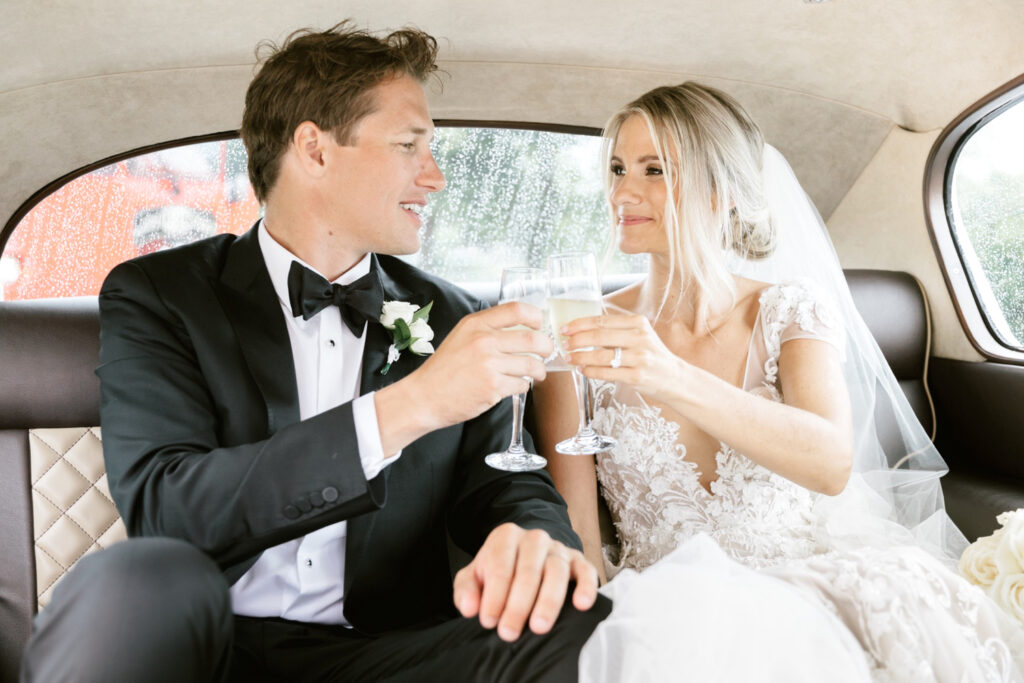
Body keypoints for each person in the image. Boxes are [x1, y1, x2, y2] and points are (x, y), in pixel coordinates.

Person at [19, 22, 610, 683]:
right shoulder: (162, 295)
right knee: (132, 580)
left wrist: (533, 541)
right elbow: (166, 508)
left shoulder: (451, 317)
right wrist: (409, 405)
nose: (436, 176)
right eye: (410, 146)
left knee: (576, 619)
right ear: (315, 149)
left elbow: (510, 483)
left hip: (389, 655)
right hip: (206, 650)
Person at [534, 82, 1024, 681]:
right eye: (616, 168)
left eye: (653, 169)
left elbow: (829, 462)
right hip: (665, 614)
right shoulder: (580, 333)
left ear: (723, 194)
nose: (622, 192)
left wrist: (667, 374)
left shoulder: (792, 311)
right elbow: (578, 533)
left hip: (811, 591)